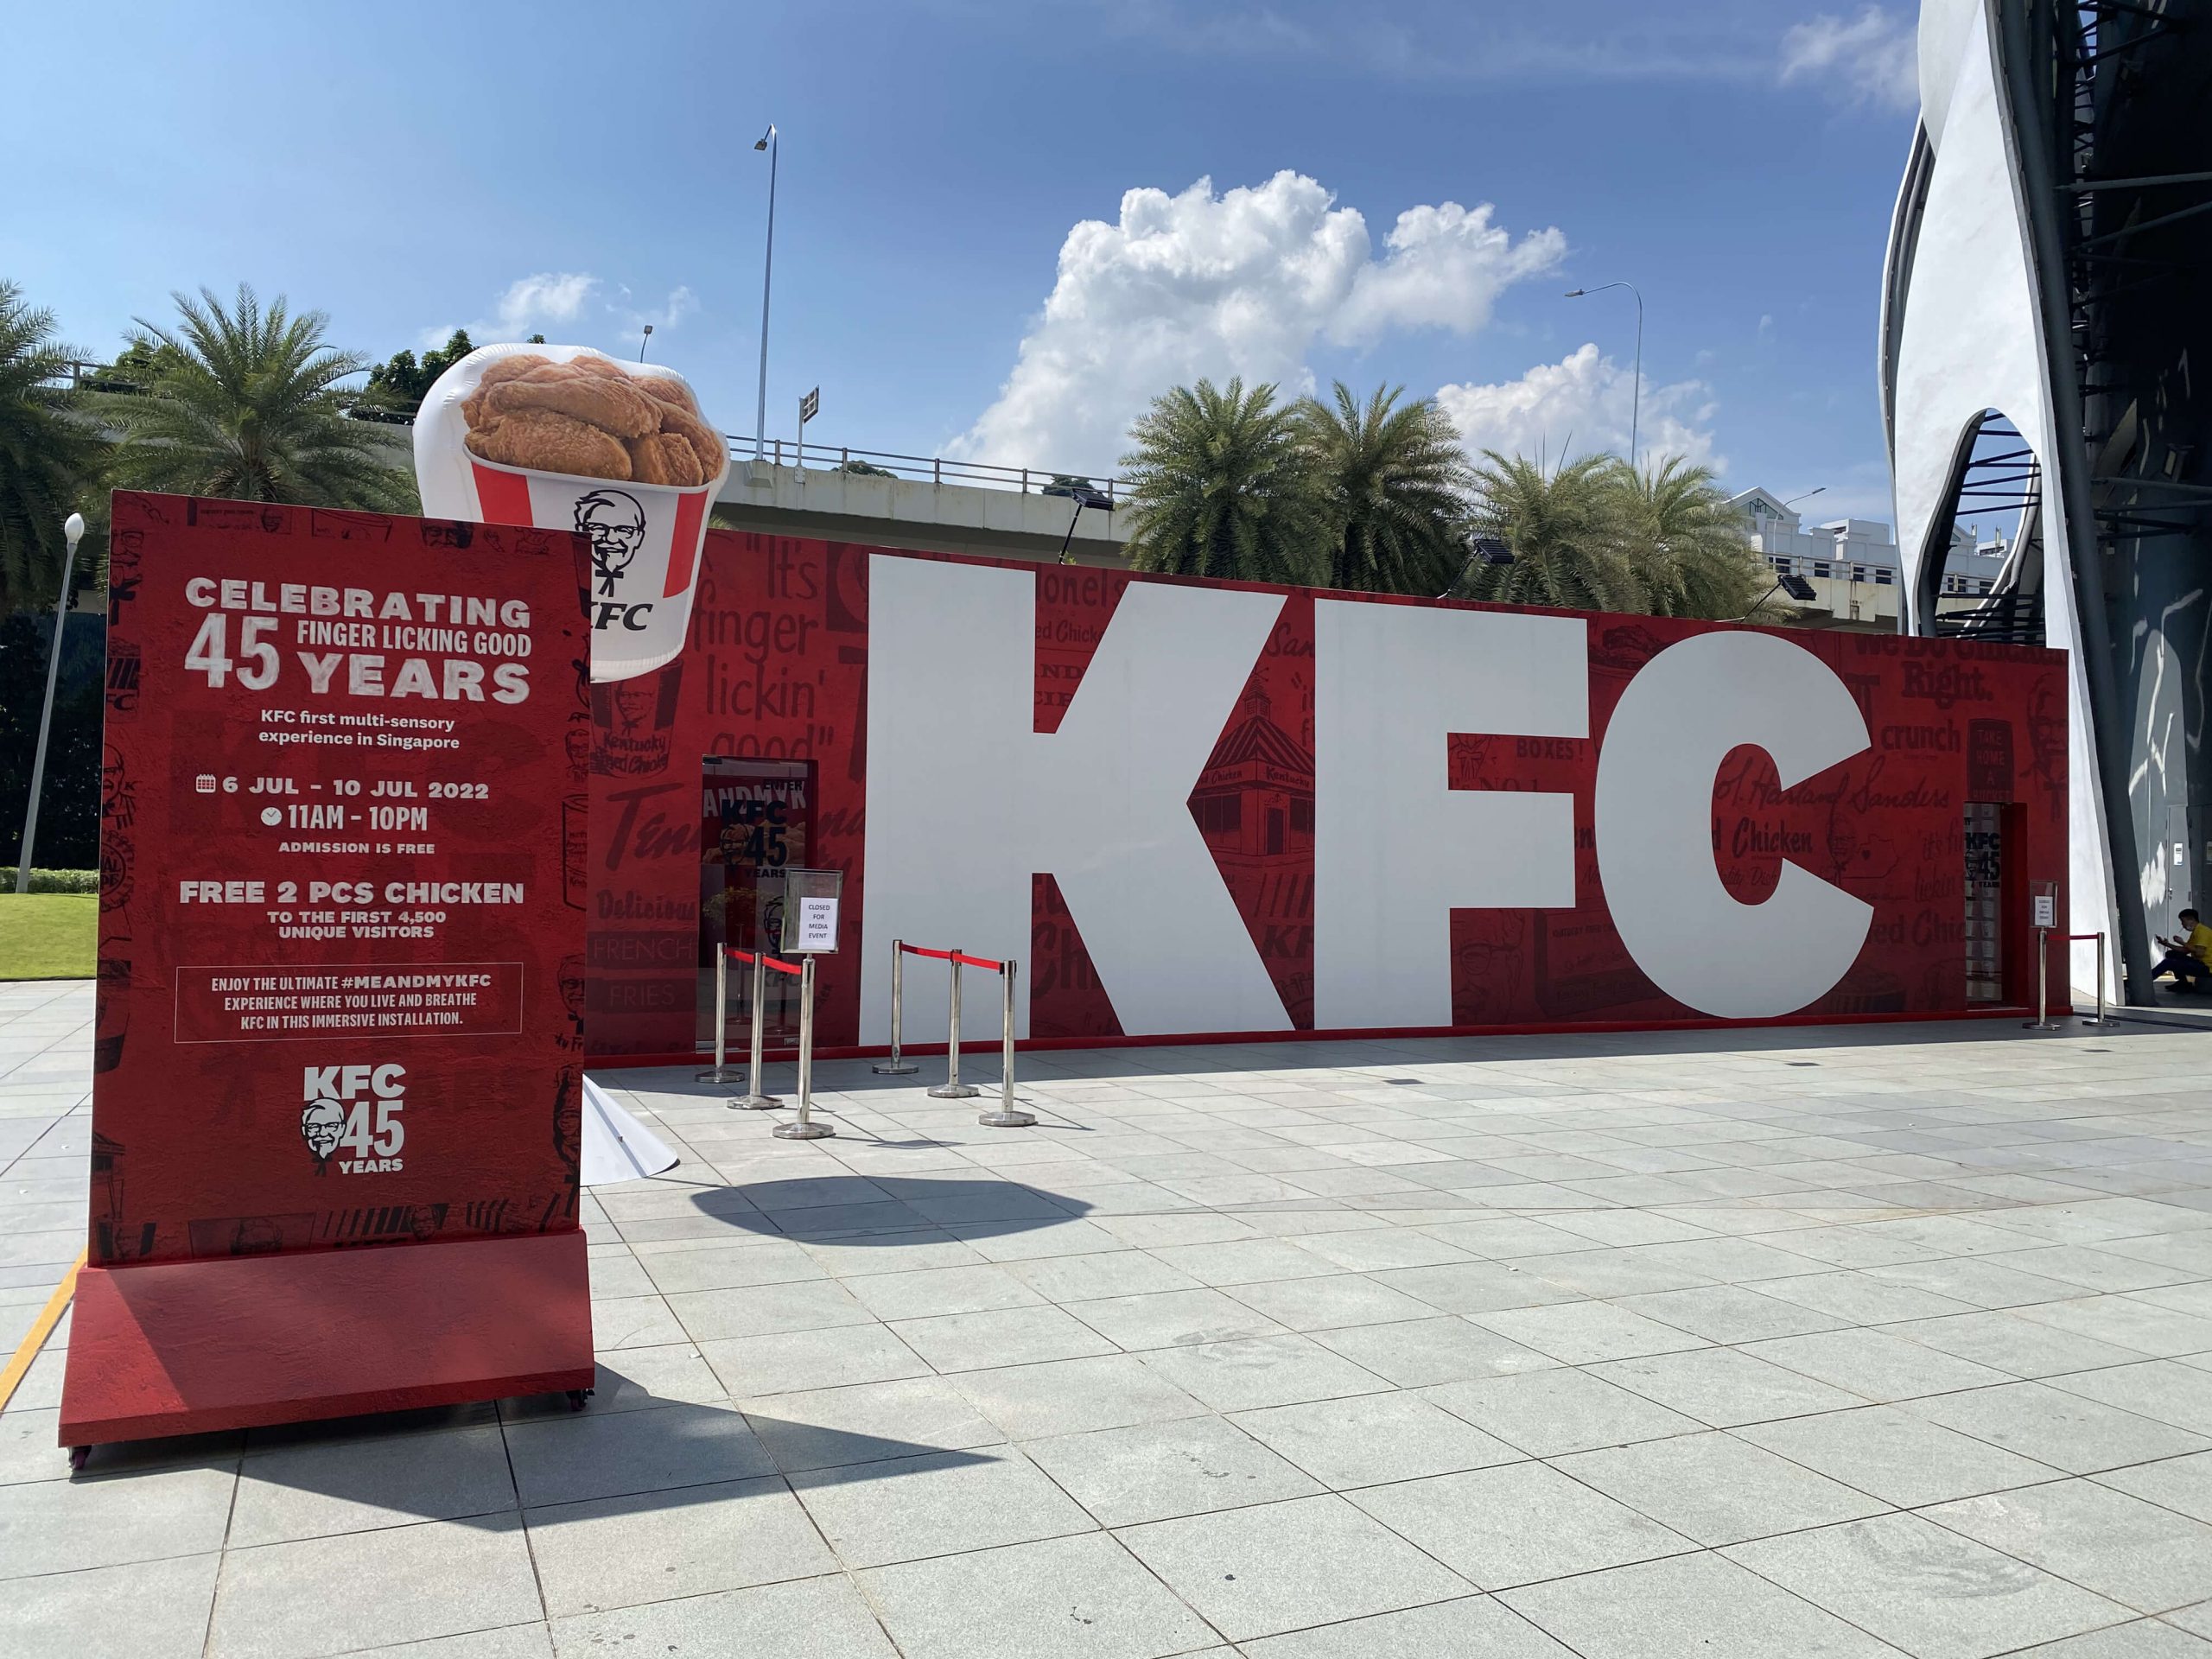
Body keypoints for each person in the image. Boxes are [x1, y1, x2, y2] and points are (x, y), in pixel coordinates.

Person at [2150, 907, 2212, 993]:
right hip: (2200, 963)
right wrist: (2167, 944)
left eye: (2183, 921)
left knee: (2168, 963)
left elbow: (2200, 953)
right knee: (2171, 954)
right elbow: (2184, 951)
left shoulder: (2203, 932)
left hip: (2207, 967)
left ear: (2191, 920)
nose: (2182, 925)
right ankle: (2183, 983)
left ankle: (2145, 981)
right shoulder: (2196, 932)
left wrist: (2182, 942)